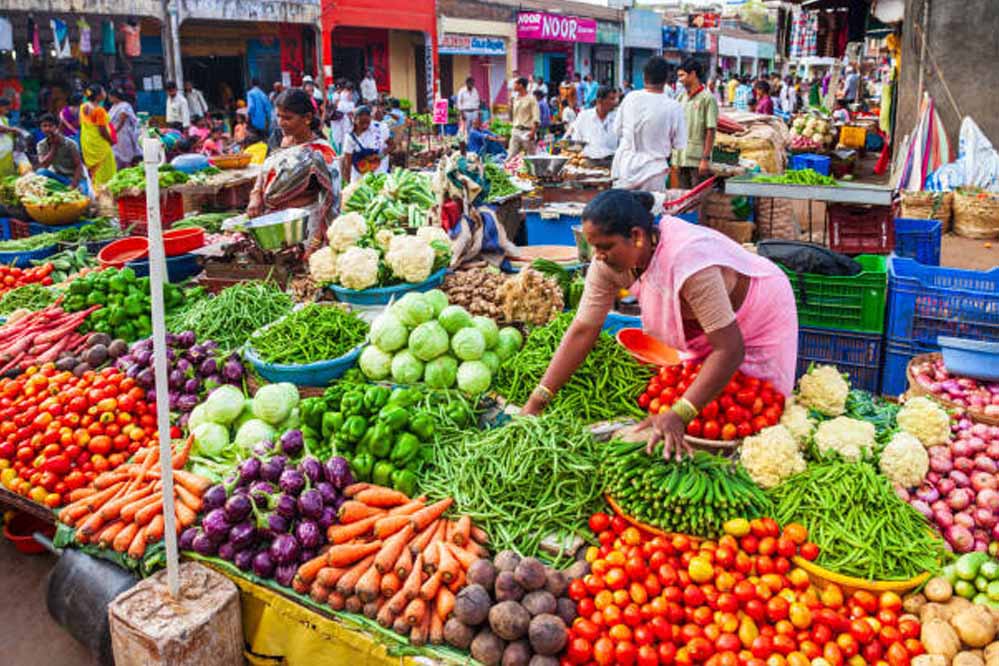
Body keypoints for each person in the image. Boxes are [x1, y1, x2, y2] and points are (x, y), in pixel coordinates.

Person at [521, 190, 798, 454]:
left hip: (758, 311)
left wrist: (680, 412)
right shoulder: (606, 265)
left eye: (605, 247)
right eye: (594, 247)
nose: (598, 256)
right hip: (705, 327)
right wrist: (538, 400)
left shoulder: (687, 259)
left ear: (637, 236)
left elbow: (729, 349)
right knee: (711, 399)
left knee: (758, 408)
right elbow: (583, 330)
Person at [247, 88, 339, 257]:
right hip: (272, 225)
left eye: (288, 118)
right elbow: (265, 169)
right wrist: (255, 196)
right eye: (279, 116)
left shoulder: (321, 152)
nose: (281, 122)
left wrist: (315, 244)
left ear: (307, 118)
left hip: (303, 228)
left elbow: (332, 203)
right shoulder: (279, 139)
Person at [611, 57, 686, 193]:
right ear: (666, 79)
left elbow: (617, 130)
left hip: (625, 169)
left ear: (644, 76)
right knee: (650, 212)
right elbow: (679, 144)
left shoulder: (630, 98)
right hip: (654, 173)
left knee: (623, 212)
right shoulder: (674, 107)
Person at [674, 58, 718, 189]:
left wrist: (705, 158)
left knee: (697, 200)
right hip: (681, 158)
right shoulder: (681, 98)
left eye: (682, 75)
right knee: (683, 198)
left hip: (697, 159)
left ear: (693, 74)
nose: (680, 80)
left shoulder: (708, 99)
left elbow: (711, 130)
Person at [79, 84, 117, 186]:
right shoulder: (99, 110)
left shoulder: (83, 107)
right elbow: (102, 130)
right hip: (100, 144)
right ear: (98, 96)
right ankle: (105, 191)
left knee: (94, 171)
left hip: (88, 142)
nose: (105, 93)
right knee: (107, 170)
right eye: (103, 91)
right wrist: (111, 140)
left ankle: (96, 190)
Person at [342, 105, 391, 184]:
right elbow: (347, 162)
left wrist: (380, 156)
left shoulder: (380, 128)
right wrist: (348, 184)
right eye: (362, 123)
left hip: (380, 176)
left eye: (367, 122)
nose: (365, 125)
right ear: (354, 120)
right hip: (359, 179)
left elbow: (392, 145)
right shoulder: (350, 137)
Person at [568, 85, 618, 161]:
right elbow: (576, 141)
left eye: (615, 99)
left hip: (611, 162)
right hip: (588, 163)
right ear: (600, 101)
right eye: (612, 99)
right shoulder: (584, 117)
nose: (615, 102)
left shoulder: (617, 118)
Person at [35, 113, 84, 191]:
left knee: (84, 194)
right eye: (44, 126)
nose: (47, 128)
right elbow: (44, 164)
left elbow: (78, 166)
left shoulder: (70, 144)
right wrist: (54, 147)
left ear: (56, 127)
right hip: (58, 177)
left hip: (73, 178)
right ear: (41, 128)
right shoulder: (41, 145)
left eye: (50, 126)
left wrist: (73, 185)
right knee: (40, 172)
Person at [508, 77, 539, 159]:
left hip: (527, 132)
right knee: (511, 156)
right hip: (516, 130)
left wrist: (533, 132)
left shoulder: (531, 99)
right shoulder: (515, 98)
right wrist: (510, 107)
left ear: (521, 85)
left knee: (530, 158)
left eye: (515, 84)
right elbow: (512, 116)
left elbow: (536, 116)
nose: (513, 86)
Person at [108, 88, 140, 168]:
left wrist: (114, 131)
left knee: (126, 158)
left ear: (114, 97)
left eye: (110, 97)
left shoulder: (124, 105)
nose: (109, 98)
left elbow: (122, 121)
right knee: (117, 157)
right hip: (115, 134)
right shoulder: (113, 106)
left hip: (123, 134)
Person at [328, 81, 356, 152]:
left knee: (343, 140)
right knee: (340, 141)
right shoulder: (341, 101)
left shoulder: (347, 102)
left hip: (344, 125)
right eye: (349, 92)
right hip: (340, 125)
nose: (350, 94)